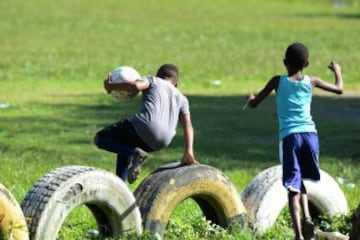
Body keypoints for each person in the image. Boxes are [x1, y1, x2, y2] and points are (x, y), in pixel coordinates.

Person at [245, 42, 343, 240]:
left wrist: (250, 99)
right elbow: (339, 89)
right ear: (306, 63)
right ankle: (307, 217)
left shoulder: (277, 81)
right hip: (310, 137)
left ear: (284, 62)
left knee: (292, 187)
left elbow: (254, 104)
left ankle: (298, 235)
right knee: (300, 181)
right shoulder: (312, 81)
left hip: (290, 138)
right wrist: (338, 72)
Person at [94, 63, 198, 184]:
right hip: (162, 141)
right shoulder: (182, 98)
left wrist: (111, 86)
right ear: (176, 84)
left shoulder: (153, 80)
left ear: (158, 75)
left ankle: (133, 154)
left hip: (144, 126)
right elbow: (188, 126)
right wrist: (189, 151)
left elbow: (136, 86)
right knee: (124, 145)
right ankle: (120, 184)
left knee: (101, 138)